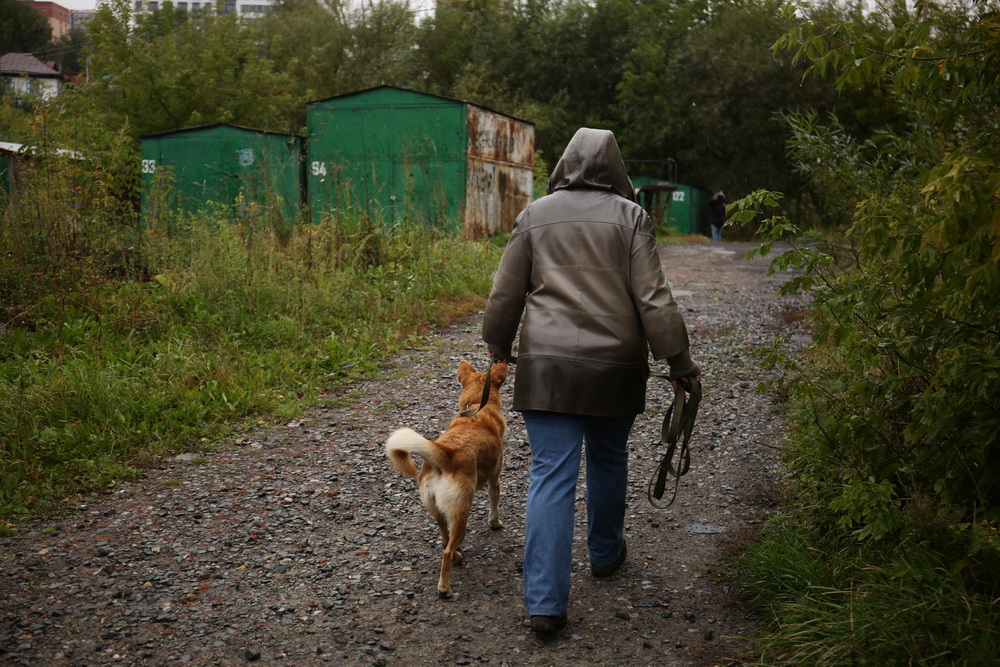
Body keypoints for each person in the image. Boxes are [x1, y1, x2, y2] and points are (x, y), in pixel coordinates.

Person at [481, 128, 701, 636]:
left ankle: (544, 604)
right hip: (616, 368)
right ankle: (604, 554)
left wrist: (497, 342)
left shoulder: (534, 215)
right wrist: (678, 360)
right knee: (609, 457)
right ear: (616, 169)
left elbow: (505, 291)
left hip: (545, 367)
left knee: (550, 475)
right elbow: (654, 299)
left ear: (564, 164)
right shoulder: (632, 218)